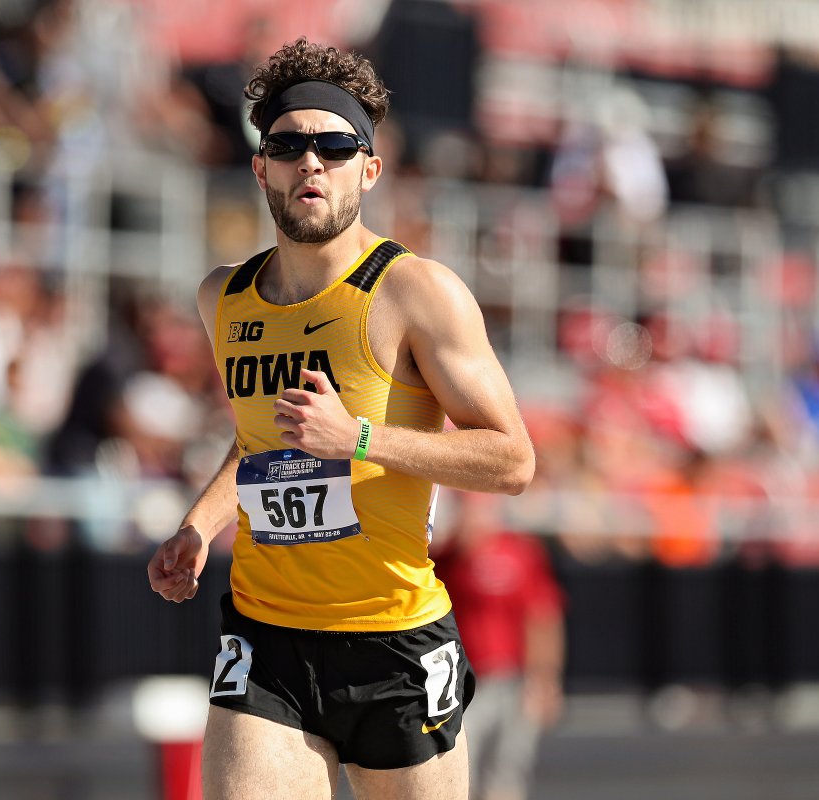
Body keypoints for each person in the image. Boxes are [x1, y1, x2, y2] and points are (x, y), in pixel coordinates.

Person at [147, 38, 535, 800]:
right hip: (268, 638)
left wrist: (356, 437)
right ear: (262, 167)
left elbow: (513, 461)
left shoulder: (415, 293)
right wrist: (198, 525)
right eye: (289, 145)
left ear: (370, 167)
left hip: (394, 642)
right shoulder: (223, 298)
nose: (310, 163)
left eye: (333, 144)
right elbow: (259, 440)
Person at [434, 493, 565, 800]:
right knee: (461, 763)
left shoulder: (521, 552)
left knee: (509, 768)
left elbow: (543, 616)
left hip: (514, 677)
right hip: (463, 681)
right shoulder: (446, 558)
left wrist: (545, 678)